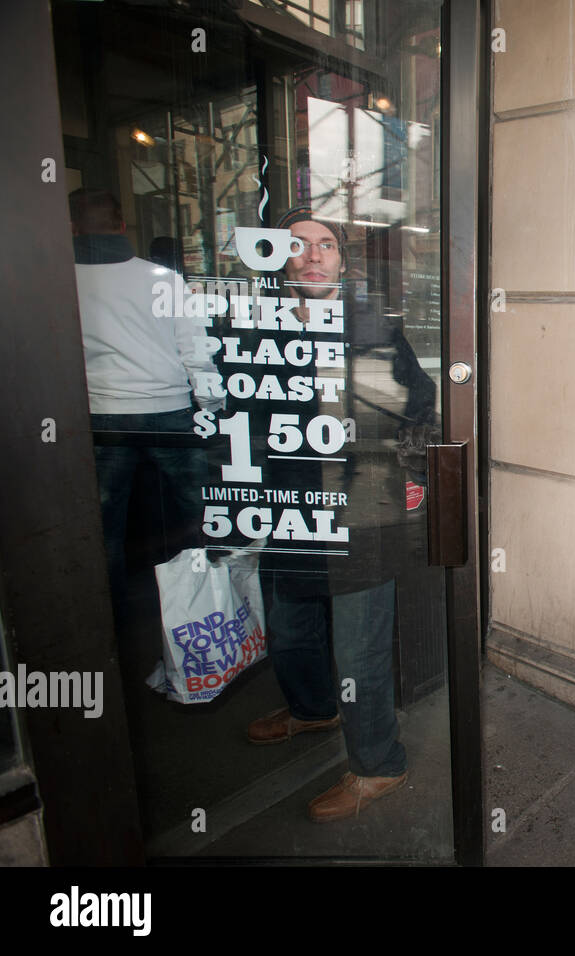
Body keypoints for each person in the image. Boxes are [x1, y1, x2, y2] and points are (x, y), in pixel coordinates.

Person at [244, 207, 437, 821]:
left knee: (359, 649)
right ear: (279, 258)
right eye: (297, 245)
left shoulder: (374, 325)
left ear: (343, 261)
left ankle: (379, 764)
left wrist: (399, 480)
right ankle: (311, 709)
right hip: (288, 506)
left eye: (325, 245)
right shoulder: (258, 327)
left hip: (361, 512)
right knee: (292, 627)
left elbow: (421, 406)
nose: (312, 254)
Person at [70, 188, 221, 619]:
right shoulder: (161, 278)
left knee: (106, 530)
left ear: (72, 228)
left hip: (102, 415)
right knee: (194, 518)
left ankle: (110, 624)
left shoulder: (58, 280)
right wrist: (210, 405)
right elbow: (194, 345)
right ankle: (201, 613)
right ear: (122, 225)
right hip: (169, 410)